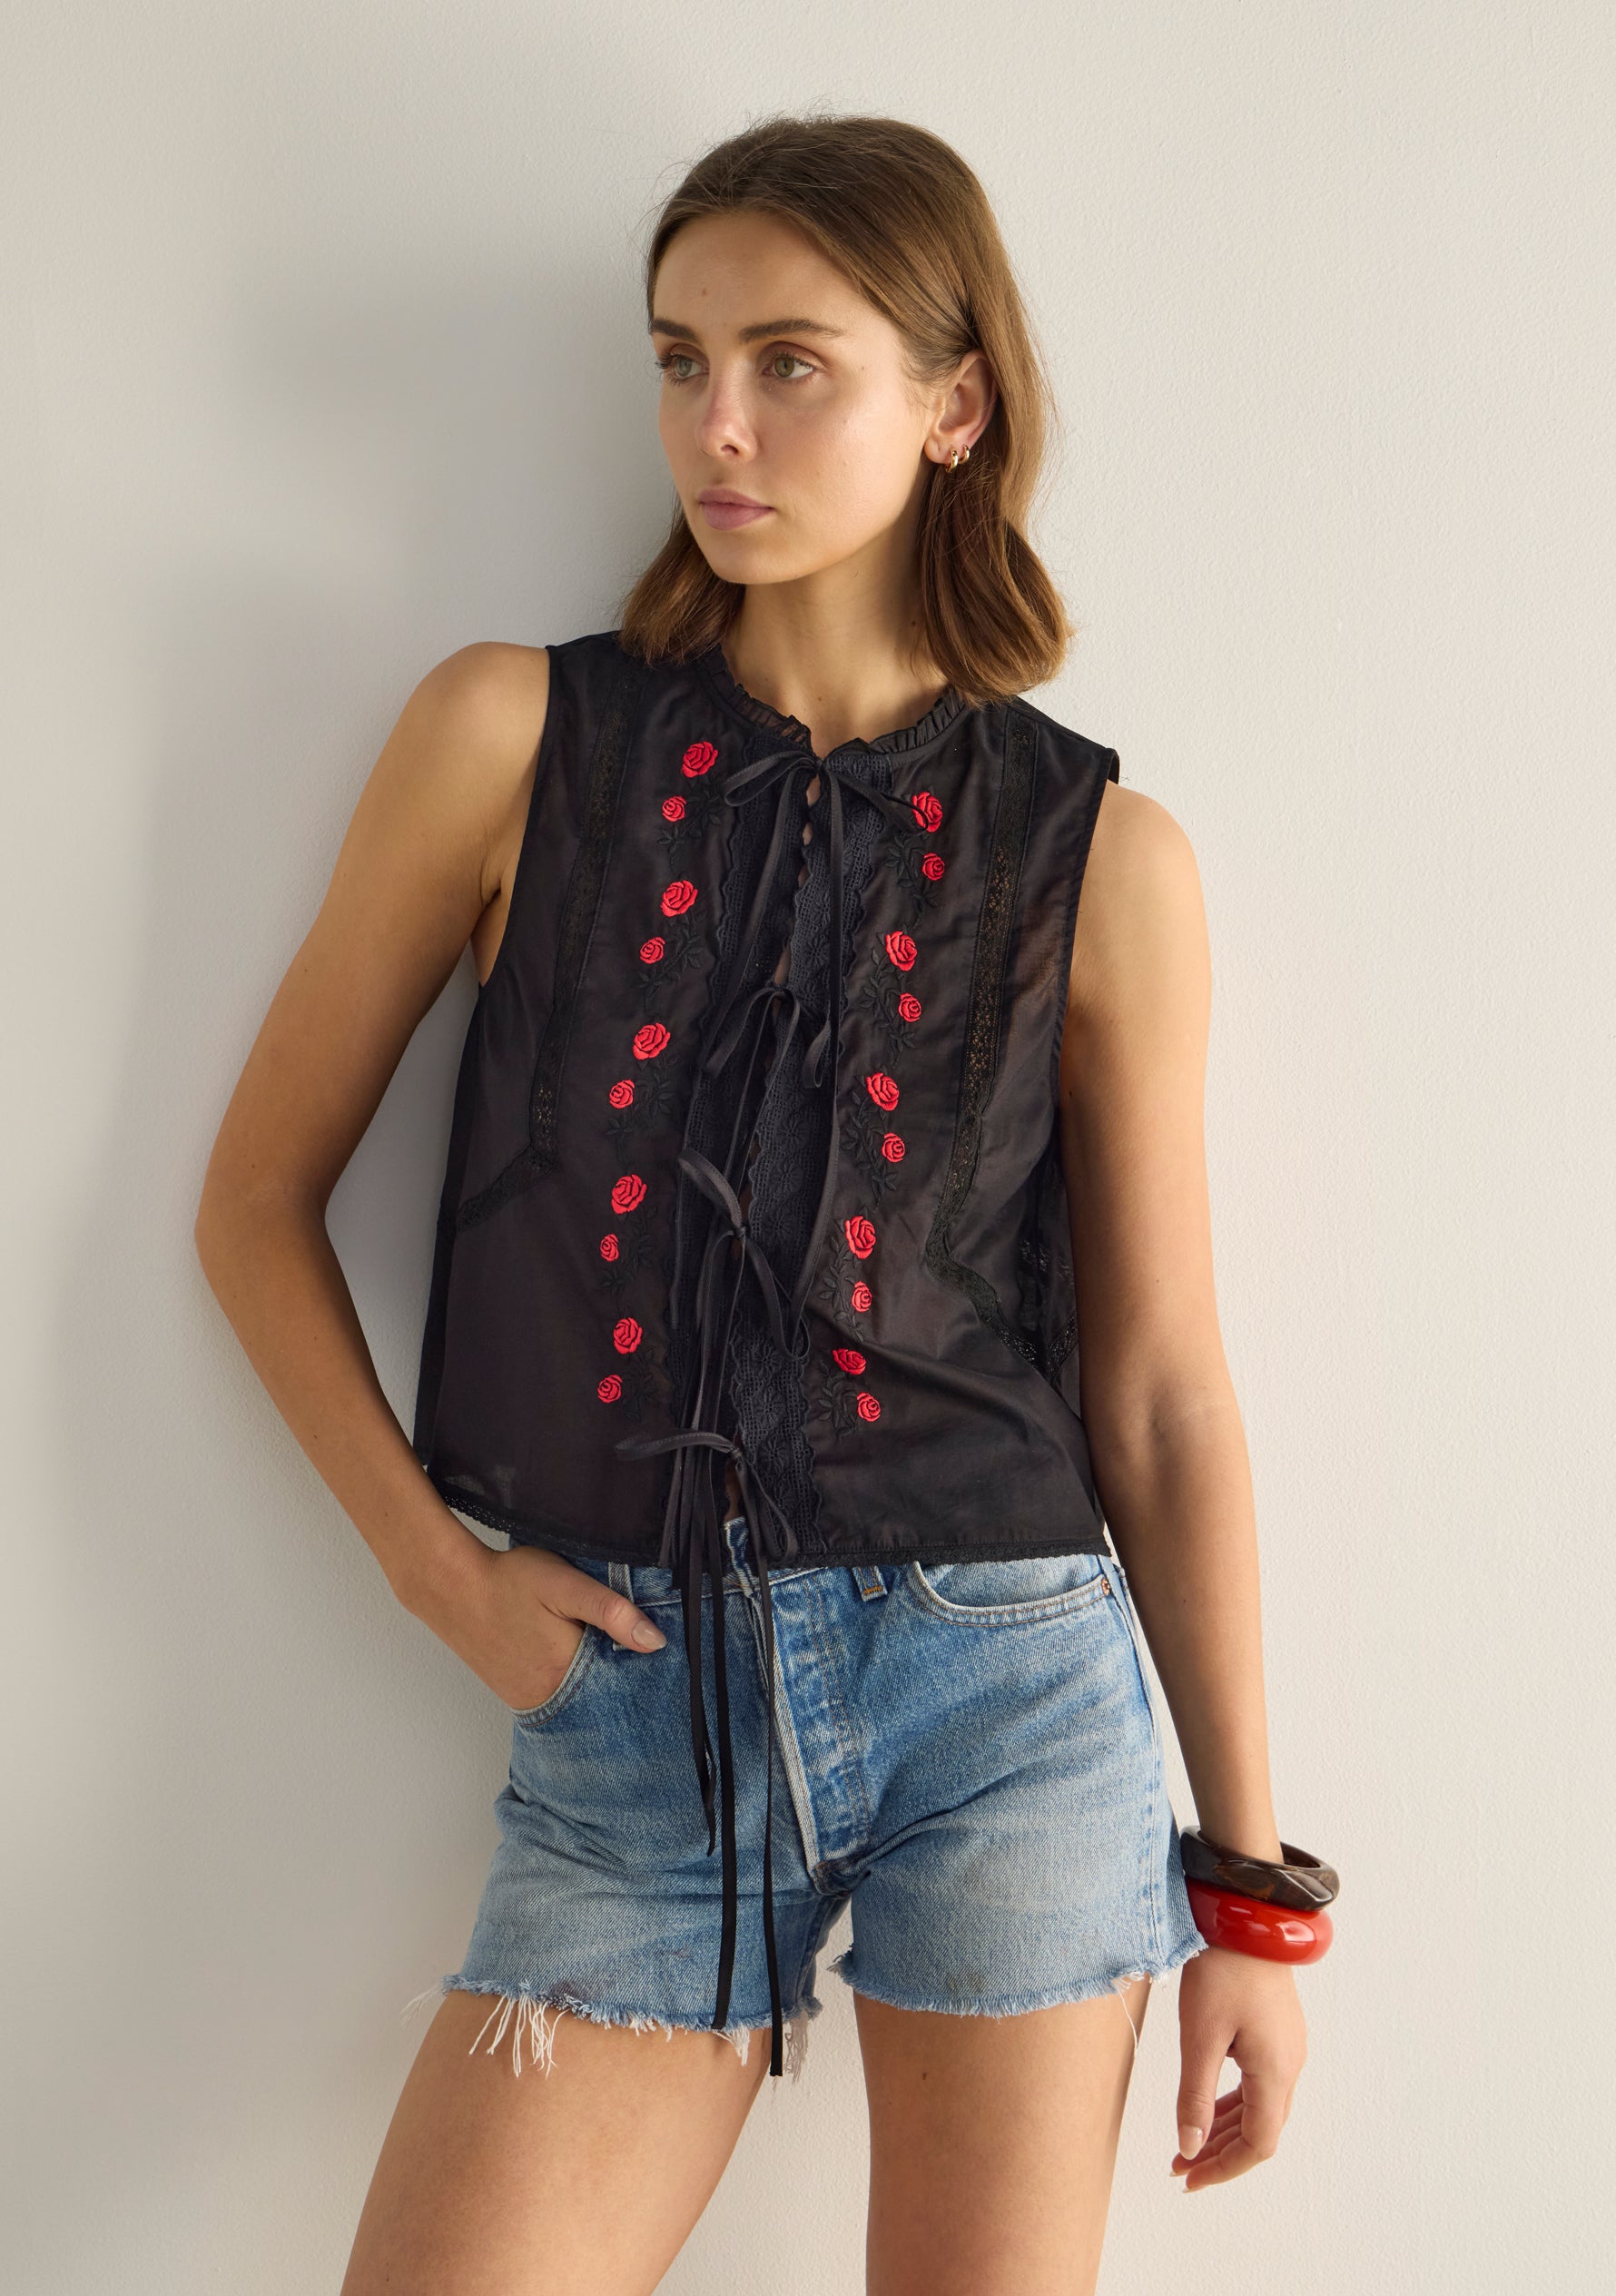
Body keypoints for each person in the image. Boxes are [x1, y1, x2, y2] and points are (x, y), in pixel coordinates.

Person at [195, 112, 1316, 2296]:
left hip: (1010, 1698)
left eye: (789, 362)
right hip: (626, 1704)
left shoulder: (1101, 860)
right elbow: (252, 1198)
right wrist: (440, 1578)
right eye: (678, 358)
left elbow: (1162, 1393)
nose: (716, 423)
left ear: (953, 403)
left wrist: (1252, 1895)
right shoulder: (510, 736)